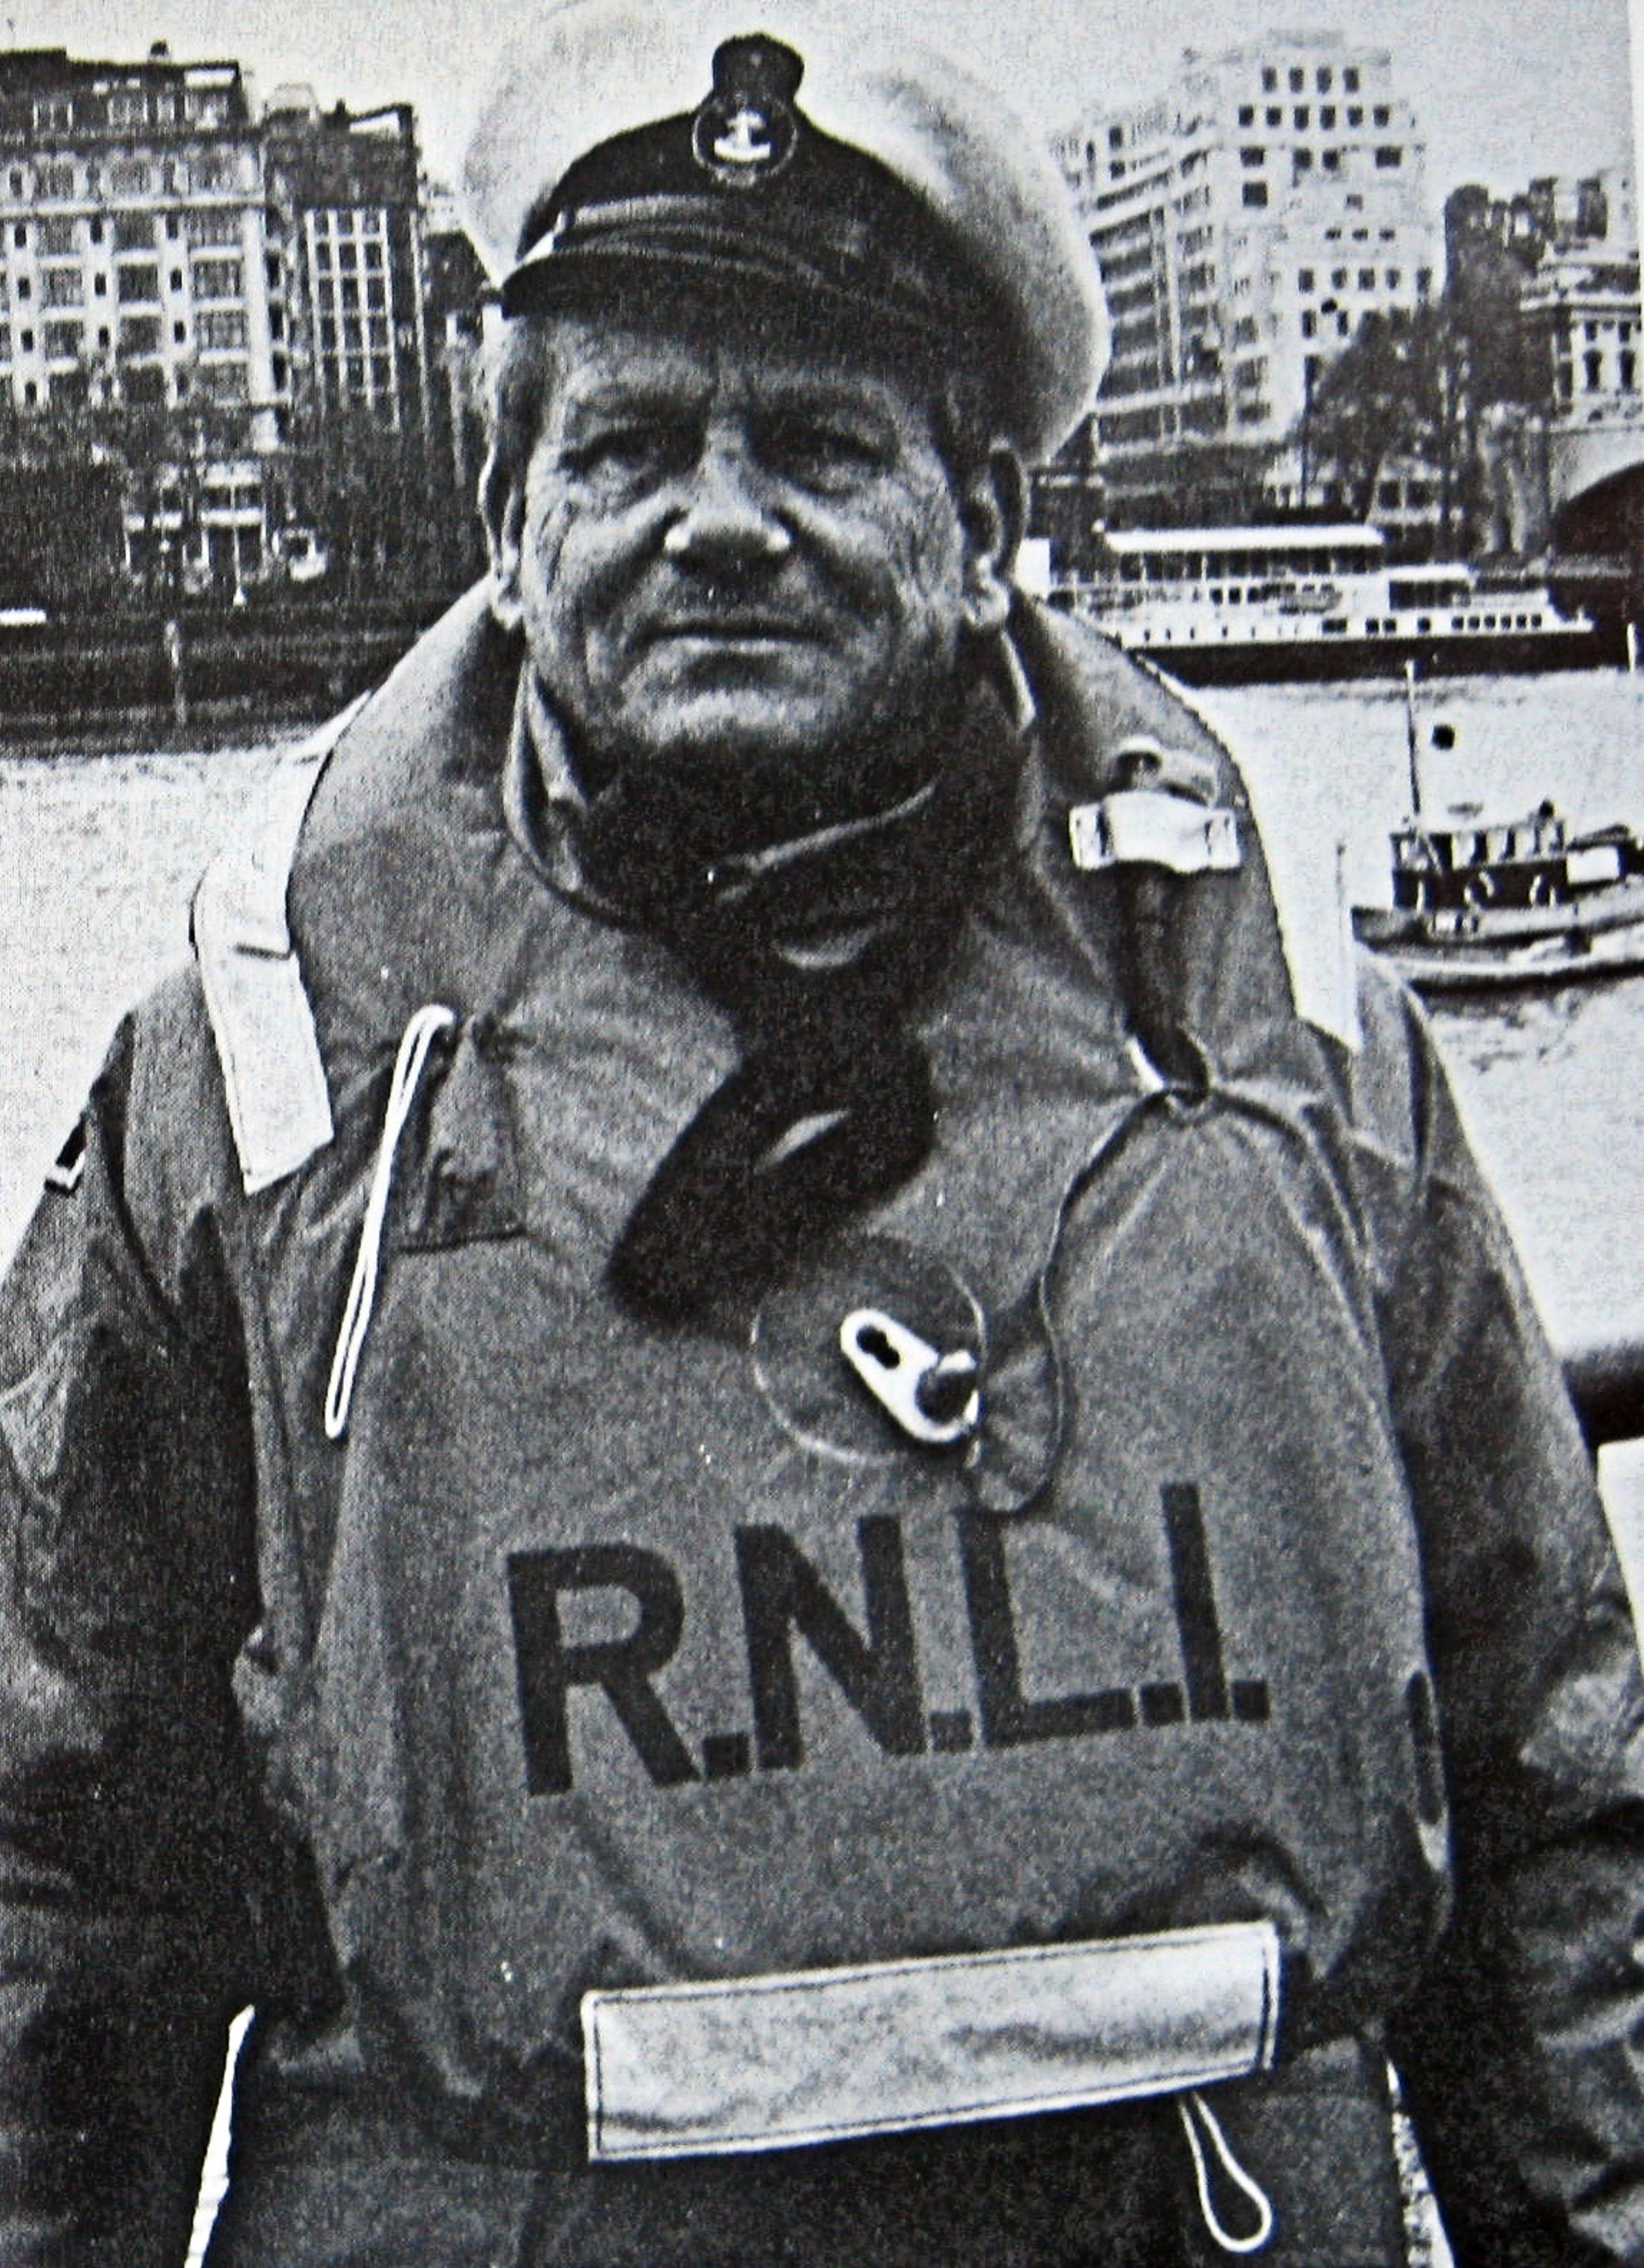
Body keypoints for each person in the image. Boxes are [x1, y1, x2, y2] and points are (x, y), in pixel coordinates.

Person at [2, 6, 1643, 2263]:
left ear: (987, 531)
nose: (719, 524)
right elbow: (58, 1858)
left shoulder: (1285, 1043)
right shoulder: (264, 1075)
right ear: (508, 529)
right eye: (630, 448)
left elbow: (1552, 1781)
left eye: (818, 443)